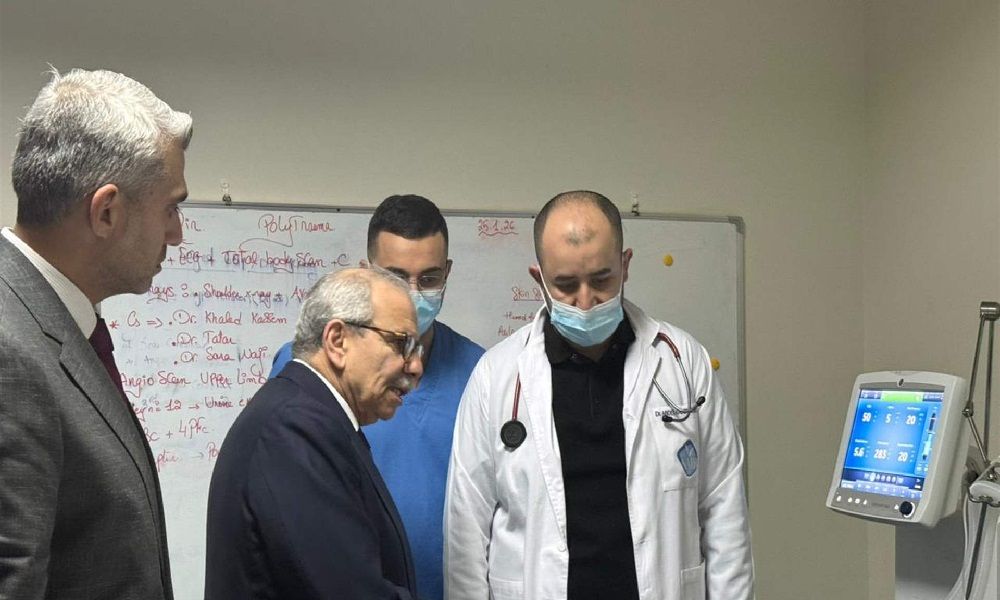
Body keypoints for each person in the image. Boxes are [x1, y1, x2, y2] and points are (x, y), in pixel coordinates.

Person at [444, 191, 754, 600]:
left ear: (625, 265)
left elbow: (724, 511)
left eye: (602, 279)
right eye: (566, 285)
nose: (586, 302)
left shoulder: (683, 362)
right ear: (539, 279)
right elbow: (466, 534)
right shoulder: (497, 376)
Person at [0, 68, 190, 599]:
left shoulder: (49, 321)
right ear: (106, 212)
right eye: (171, 207)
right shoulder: (9, 350)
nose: (176, 234)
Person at [269, 195, 484, 600]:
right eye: (396, 278)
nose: (414, 294)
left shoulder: (481, 374)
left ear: (447, 273)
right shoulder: (312, 368)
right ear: (366, 274)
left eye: (429, 279)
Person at [206, 267, 424, 599]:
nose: (415, 366)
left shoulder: (308, 416)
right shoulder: (293, 429)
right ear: (337, 341)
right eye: (400, 343)